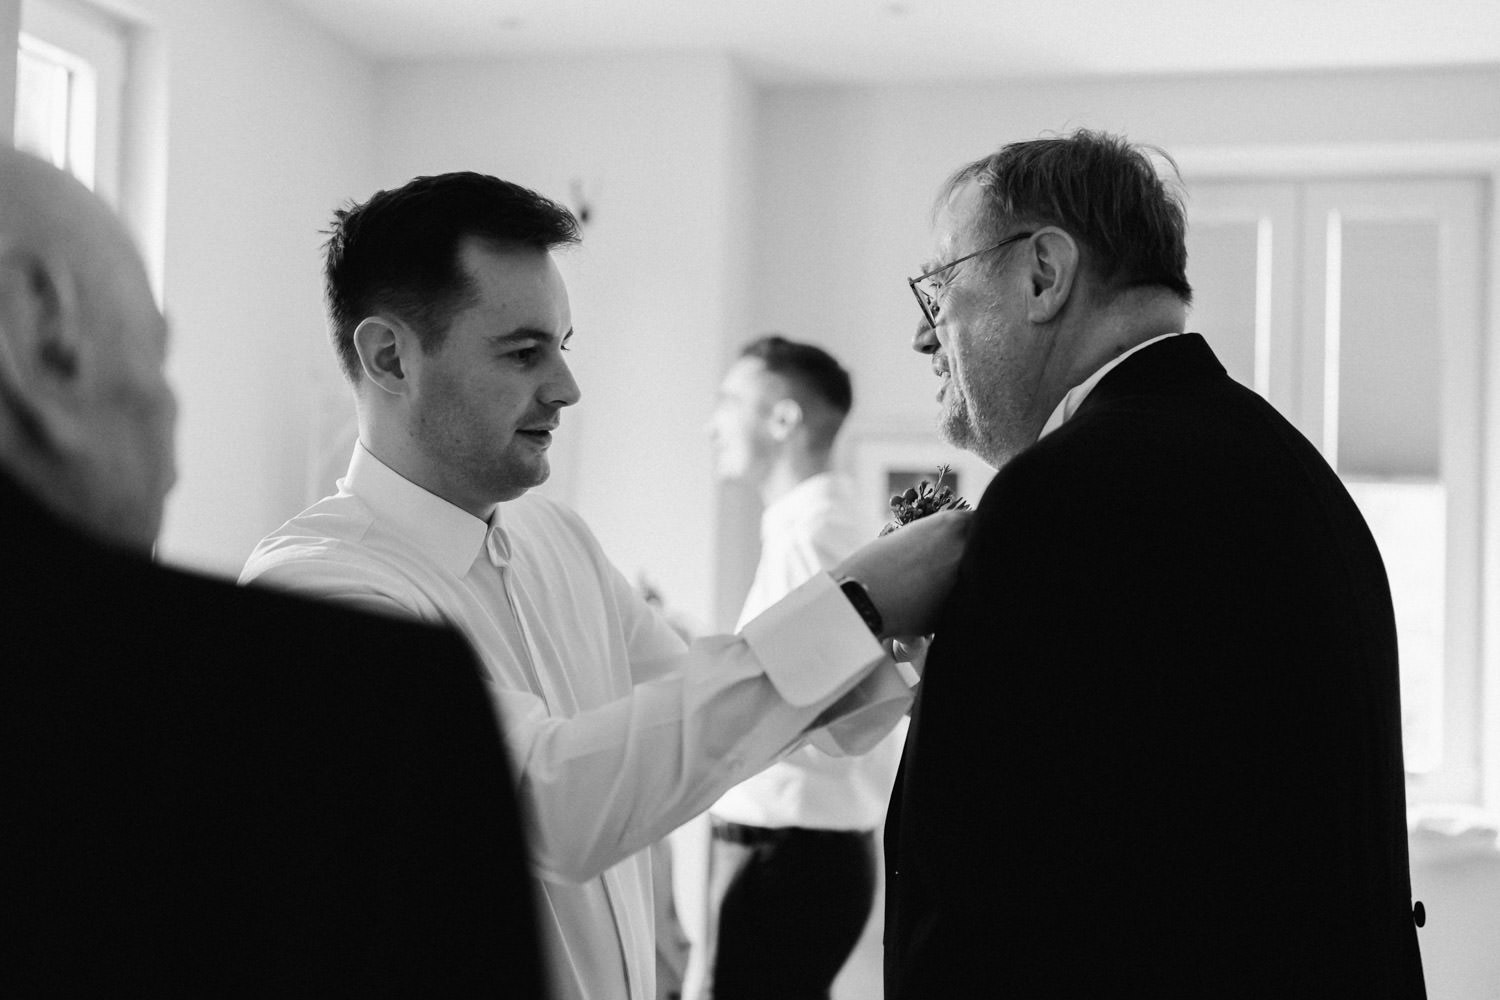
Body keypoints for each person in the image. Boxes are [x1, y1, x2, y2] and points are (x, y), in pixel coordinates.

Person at [238, 171, 968, 1000]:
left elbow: (719, 702)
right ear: (389, 357)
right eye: (523, 352)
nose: (566, 387)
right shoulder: (314, 592)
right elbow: (551, 805)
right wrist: (852, 605)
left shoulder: (558, 539)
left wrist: (885, 650)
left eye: (564, 345)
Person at [883, 130, 1427, 998]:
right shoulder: (1287, 467)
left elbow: (991, 879)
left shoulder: (1064, 496)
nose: (924, 333)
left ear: (1042, 275)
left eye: (940, 286)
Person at [0, 147, 544, 994]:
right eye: (155, 351)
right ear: (44, 331)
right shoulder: (351, 693)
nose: (172, 414)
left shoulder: (557, 550)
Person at [699, 335, 902, 1000]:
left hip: (791, 854)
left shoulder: (815, 539)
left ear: (783, 420)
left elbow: (823, 710)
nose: (713, 423)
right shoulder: (806, 532)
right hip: (793, 851)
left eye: (730, 401)